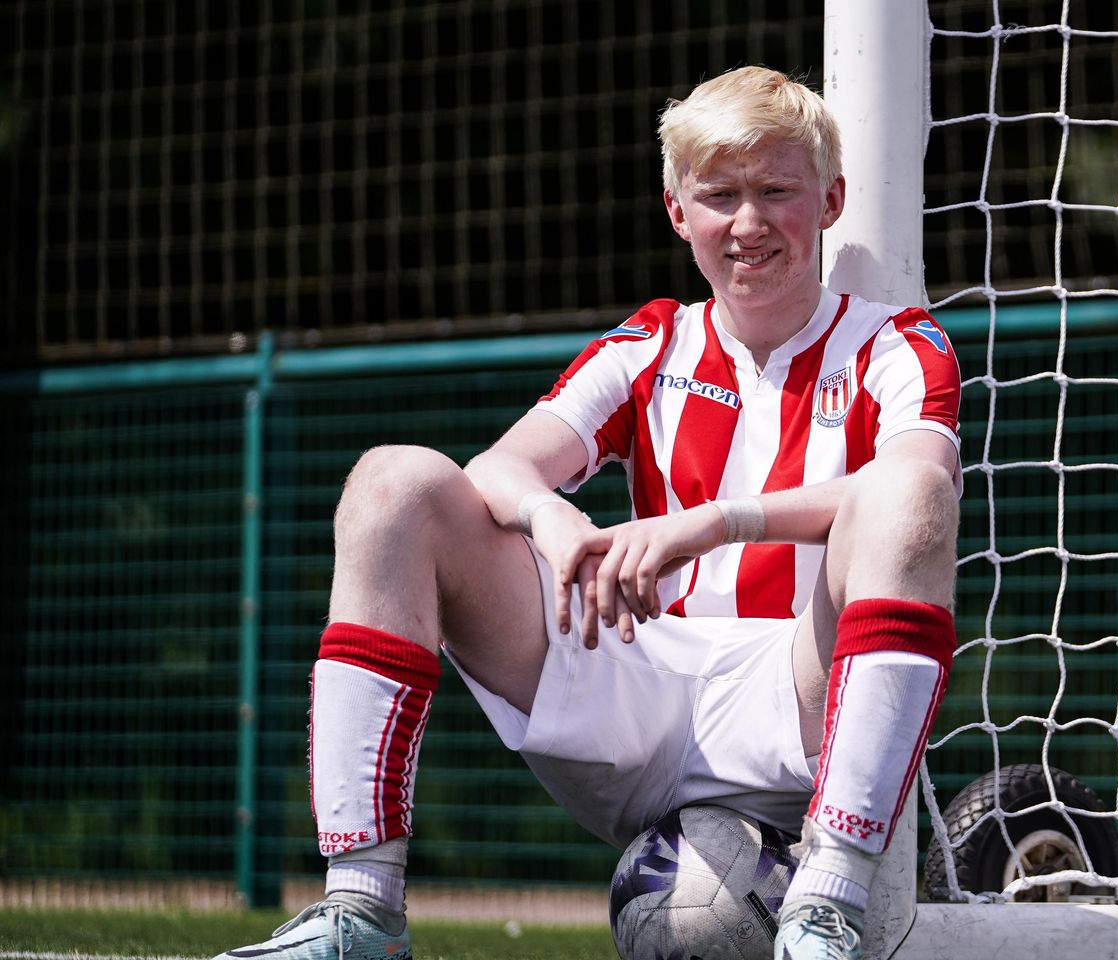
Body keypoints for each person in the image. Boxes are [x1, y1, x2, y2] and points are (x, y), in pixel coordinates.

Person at [213, 65, 960, 960]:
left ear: (831, 199)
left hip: (798, 694)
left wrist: (716, 521)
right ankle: (360, 916)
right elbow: (504, 464)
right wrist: (547, 517)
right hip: (634, 684)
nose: (749, 223)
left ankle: (826, 906)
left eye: (777, 192)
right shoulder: (652, 344)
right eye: (719, 196)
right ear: (679, 213)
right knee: (392, 484)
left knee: (910, 492)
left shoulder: (895, 344)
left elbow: (919, 485)